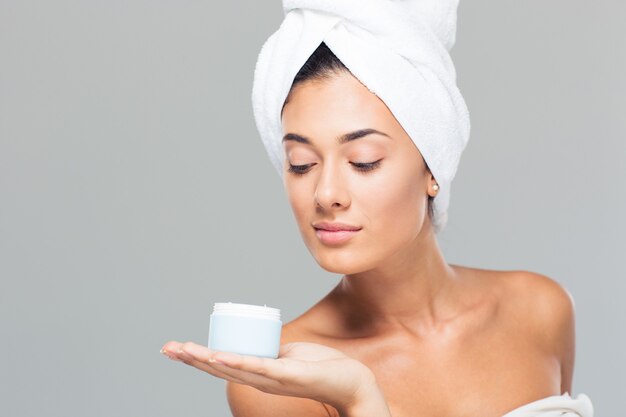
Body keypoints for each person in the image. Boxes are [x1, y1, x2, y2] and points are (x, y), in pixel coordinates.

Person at [160, 42, 583, 417]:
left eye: (363, 160)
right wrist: (360, 399)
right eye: (301, 164)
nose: (325, 194)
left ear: (432, 168)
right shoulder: (281, 381)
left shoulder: (539, 311)